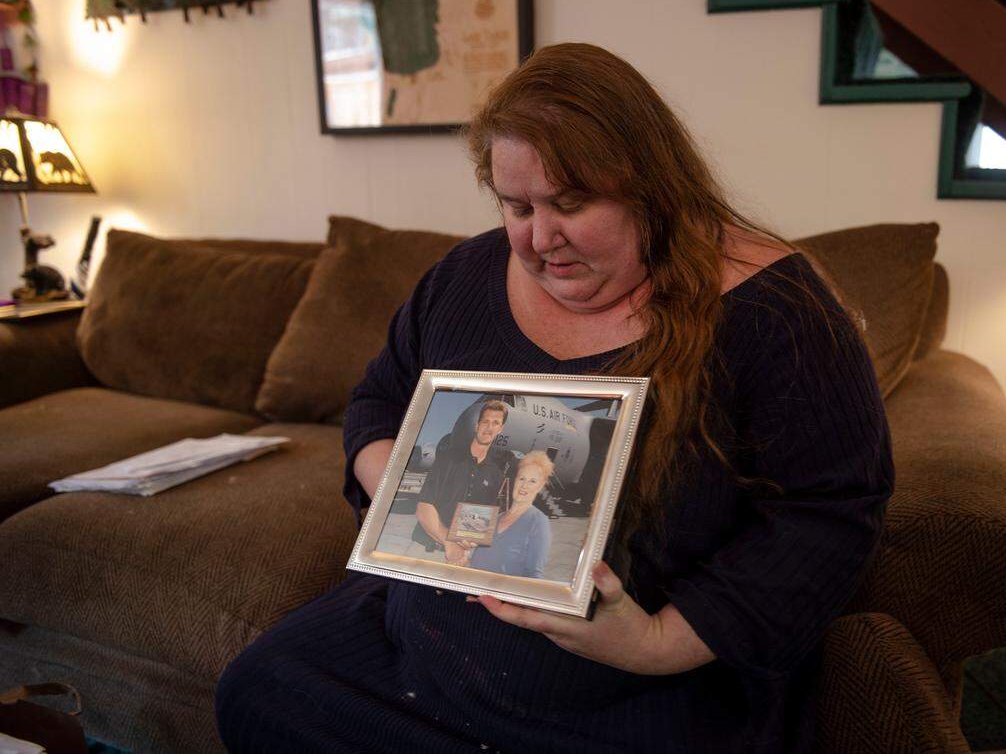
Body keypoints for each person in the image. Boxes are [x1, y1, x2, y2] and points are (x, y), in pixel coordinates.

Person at [216, 42, 893, 753]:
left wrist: (657, 643)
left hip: (636, 690)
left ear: (654, 189)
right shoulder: (463, 276)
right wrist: (409, 490)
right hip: (416, 649)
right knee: (256, 694)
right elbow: (380, 400)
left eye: (571, 204)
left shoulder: (774, 309)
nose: (540, 240)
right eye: (517, 205)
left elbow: (831, 512)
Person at [409, 399, 513, 564]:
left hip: (464, 556)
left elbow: (481, 520)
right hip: (427, 551)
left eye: (495, 423)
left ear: (500, 429)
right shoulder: (448, 459)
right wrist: (449, 542)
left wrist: (469, 544)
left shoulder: (495, 474)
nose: (489, 427)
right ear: (477, 425)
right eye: (485, 421)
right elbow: (423, 508)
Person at [465, 450, 555, 578]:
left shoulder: (539, 522)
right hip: (472, 590)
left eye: (532, 481)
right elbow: (478, 562)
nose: (524, 485)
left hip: (498, 596)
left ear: (540, 487)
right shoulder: (494, 518)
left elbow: (534, 576)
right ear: (515, 480)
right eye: (522, 478)